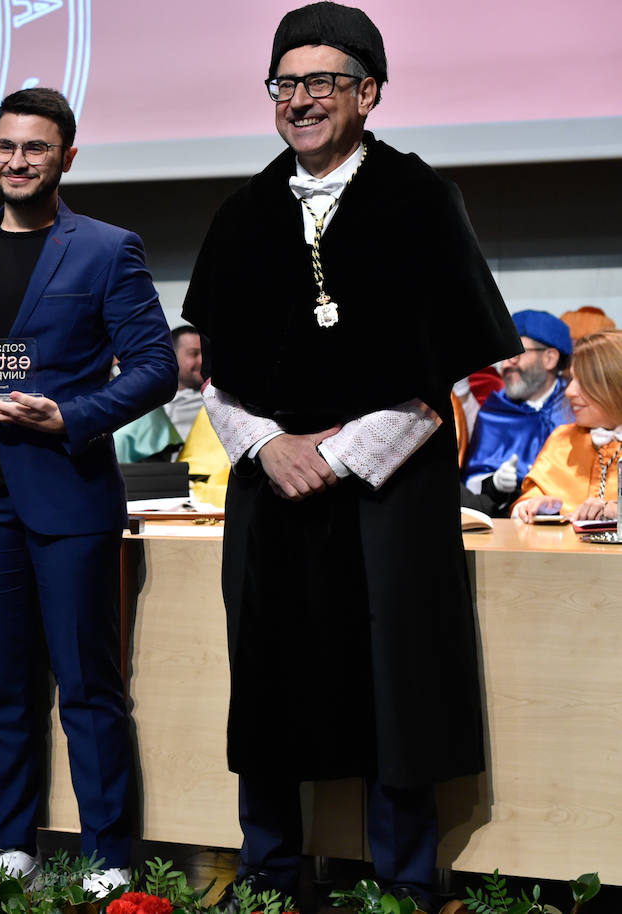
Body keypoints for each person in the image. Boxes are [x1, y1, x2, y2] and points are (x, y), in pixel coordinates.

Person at [179, 4, 520, 910]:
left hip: (387, 484)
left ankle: (402, 882)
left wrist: (337, 453)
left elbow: (439, 363)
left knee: (395, 673)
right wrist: (268, 445)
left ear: (367, 93)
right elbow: (212, 370)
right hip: (272, 482)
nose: (301, 100)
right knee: (269, 671)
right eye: (286, 84)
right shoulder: (245, 211)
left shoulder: (418, 198)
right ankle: (268, 874)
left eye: (322, 82)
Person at [0, 88, 176, 897]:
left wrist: (71, 415)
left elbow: (155, 365)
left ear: (67, 158)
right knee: (4, 681)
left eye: (36, 149)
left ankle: (109, 857)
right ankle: (11, 841)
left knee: (89, 686)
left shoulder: (107, 248)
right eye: (6, 146)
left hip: (69, 489)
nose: (18, 161)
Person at [461, 309, 574, 511]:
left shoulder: (577, 405)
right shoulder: (493, 412)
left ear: (550, 358)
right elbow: (472, 481)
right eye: (504, 354)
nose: (508, 362)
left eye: (517, 352)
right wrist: (494, 483)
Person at [512, 330, 622, 523]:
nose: (570, 391)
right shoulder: (563, 440)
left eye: (585, 382)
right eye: (572, 379)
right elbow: (526, 501)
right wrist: (538, 507)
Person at [165, 325, 206, 442]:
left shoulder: (219, 402)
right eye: (194, 353)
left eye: (205, 353)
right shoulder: (149, 401)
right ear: (172, 356)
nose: (202, 360)